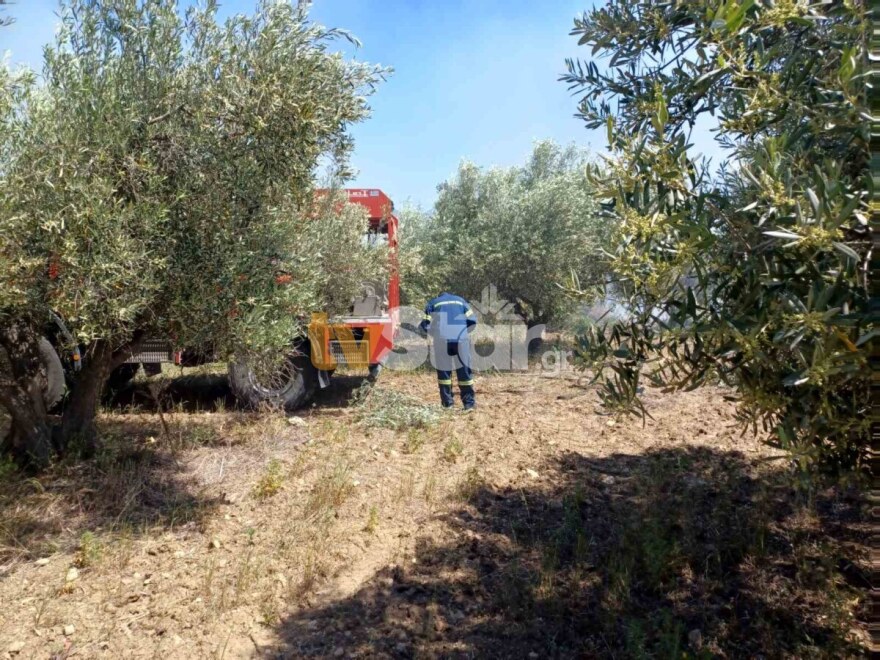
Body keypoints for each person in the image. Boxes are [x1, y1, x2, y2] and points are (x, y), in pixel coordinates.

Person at [419, 292, 476, 410]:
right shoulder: (460, 301)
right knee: (464, 371)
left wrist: (435, 333)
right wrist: (462, 332)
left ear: (439, 296)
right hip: (461, 340)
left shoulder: (433, 303)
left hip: (442, 340)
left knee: (444, 373)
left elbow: (425, 324)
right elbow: (472, 320)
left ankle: (447, 404)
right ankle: (469, 404)